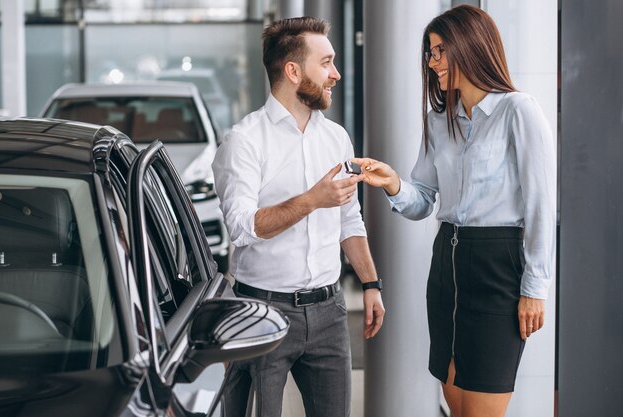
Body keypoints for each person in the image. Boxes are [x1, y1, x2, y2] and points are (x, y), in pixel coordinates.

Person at [352, 5, 555, 417]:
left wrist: (535, 288)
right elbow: (423, 200)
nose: (433, 62)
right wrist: (392, 183)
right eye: (430, 52)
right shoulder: (439, 119)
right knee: (455, 401)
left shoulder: (519, 110)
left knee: (482, 407)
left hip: (498, 268)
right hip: (447, 264)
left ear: (472, 46)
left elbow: (541, 205)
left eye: (441, 50)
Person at [212, 16, 385, 417]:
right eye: (325, 63)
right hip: (260, 311)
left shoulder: (336, 137)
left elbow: (349, 220)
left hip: (328, 312)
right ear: (293, 71)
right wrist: (310, 200)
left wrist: (371, 283)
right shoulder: (244, 141)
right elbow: (241, 227)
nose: (336, 74)